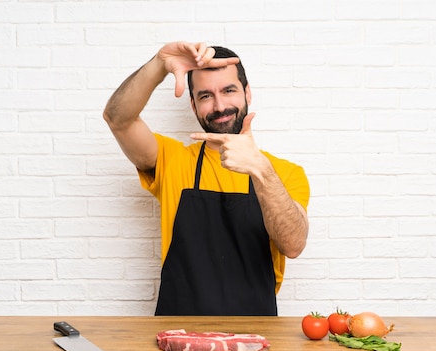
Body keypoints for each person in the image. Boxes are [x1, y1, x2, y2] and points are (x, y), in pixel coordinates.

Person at [103, 41, 309, 316]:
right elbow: (118, 119)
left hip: (255, 337)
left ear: (247, 92)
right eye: (205, 96)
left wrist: (261, 170)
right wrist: (159, 64)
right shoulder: (171, 160)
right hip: (177, 335)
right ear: (193, 104)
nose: (219, 105)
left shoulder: (283, 172)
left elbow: (293, 246)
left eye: (228, 90)